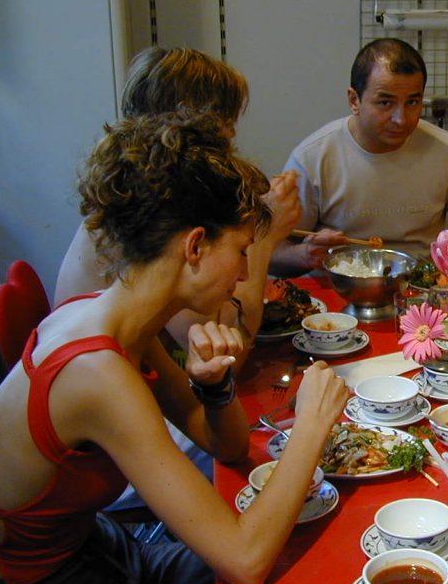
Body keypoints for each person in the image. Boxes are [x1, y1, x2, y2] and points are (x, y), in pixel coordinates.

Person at [0, 112, 348, 584]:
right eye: (240, 250)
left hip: (105, 558)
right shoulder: (96, 370)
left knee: (306, 576)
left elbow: (226, 446)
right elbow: (244, 560)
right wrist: (311, 426)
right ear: (194, 247)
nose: (241, 274)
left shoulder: (121, 320)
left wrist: (214, 386)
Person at [54, 46, 301, 511]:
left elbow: (204, 388)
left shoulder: (134, 206)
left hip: (152, 420)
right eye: (224, 134)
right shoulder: (157, 235)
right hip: (119, 470)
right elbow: (228, 344)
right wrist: (265, 240)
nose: (229, 148)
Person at [270, 37, 448, 271]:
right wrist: (304, 255)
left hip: (421, 286)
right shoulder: (312, 159)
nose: (401, 119)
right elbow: (270, 255)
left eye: (412, 102)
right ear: (354, 100)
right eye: (385, 102)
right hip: (340, 287)